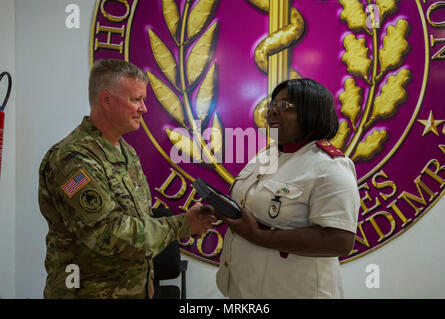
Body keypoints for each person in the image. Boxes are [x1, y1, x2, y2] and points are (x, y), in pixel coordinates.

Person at [38, 59, 216, 299]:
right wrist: (182, 224)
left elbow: (139, 220)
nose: (144, 108)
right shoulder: (72, 160)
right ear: (106, 100)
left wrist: (146, 279)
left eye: (144, 100)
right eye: (136, 100)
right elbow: (109, 235)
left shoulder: (126, 152)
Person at [216, 78, 360, 298]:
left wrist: (256, 235)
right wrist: (220, 209)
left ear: (312, 112)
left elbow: (339, 241)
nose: (272, 113)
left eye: (285, 106)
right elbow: (249, 206)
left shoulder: (330, 167)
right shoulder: (265, 156)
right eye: (272, 106)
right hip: (244, 290)